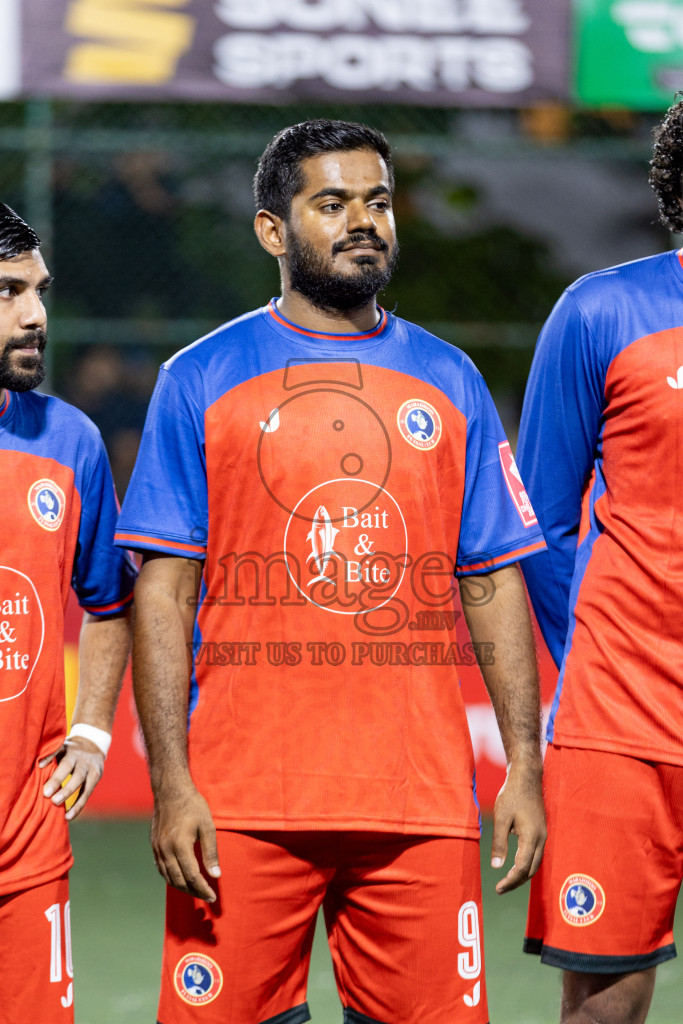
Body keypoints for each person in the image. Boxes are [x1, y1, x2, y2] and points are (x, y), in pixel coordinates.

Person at [117, 119, 547, 1024]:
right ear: (272, 230)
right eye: (332, 203)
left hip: (419, 803)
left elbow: (492, 581)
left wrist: (522, 766)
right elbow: (163, 590)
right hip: (241, 802)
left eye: (377, 202)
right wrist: (172, 783)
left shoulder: (450, 378)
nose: (362, 221)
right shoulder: (199, 378)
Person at [516, 98, 683, 1024]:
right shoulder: (601, 310)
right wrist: (587, 657)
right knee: (605, 992)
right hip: (620, 713)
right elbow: (540, 520)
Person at [0, 203, 137, 1023]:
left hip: (27, 840)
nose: (35, 316)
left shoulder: (69, 441)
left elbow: (110, 602)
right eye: (7, 291)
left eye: (39, 291)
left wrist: (90, 732)